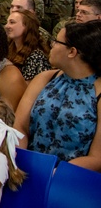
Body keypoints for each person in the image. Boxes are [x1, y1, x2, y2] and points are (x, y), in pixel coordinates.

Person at [14, 21, 101, 170]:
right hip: (29, 167)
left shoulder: (98, 92)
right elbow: (20, 127)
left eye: (56, 42)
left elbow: (97, 157)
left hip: (71, 178)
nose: (51, 46)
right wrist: (19, 159)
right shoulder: (44, 79)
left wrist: (55, 173)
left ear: (72, 52)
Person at [4, 9, 51, 81]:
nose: (6, 26)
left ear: (27, 26)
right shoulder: (8, 49)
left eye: (12, 22)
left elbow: (32, 88)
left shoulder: (36, 57)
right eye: (7, 22)